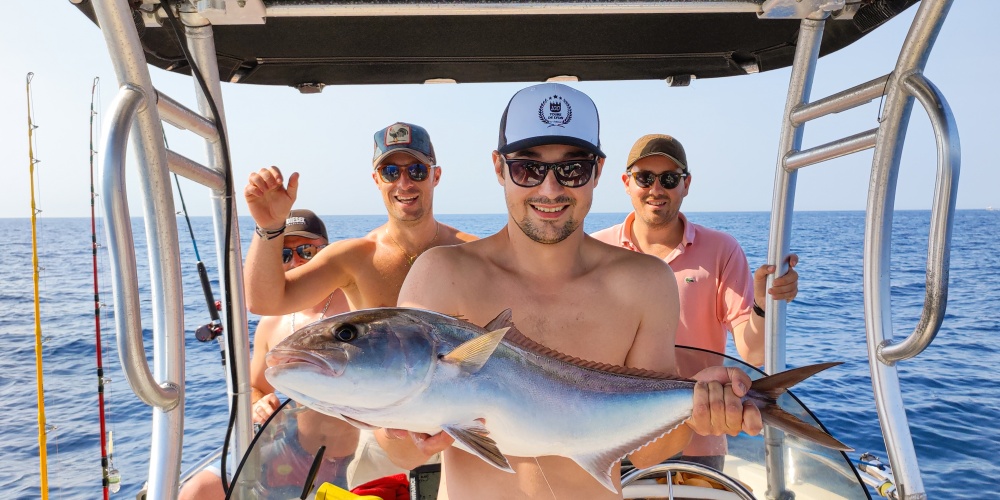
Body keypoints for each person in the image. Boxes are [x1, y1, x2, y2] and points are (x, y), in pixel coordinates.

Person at [380, 83, 762, 500]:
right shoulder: (441, 273)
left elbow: (653, 454)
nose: (550, 189)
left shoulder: (644, 282)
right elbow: (400, 454)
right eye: (528, 168)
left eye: (572, 169)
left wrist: (698, 409)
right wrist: (403, 435)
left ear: (597, 170)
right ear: (498, 167)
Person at [242, 122, 476, 485]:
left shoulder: (474, 253)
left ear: (436, 175)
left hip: (469, 436)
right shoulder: (355, 257)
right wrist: (269, 226)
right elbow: (264, 300)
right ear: (376, 179)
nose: (404, 183)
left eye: (416, 170)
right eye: (390, 171)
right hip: (388, 441)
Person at [591, 135, 799, 469]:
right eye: (645, 177)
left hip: (698, 440)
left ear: (686, 184)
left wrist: (763, 303)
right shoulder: (594, 250)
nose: (656, 189)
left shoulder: (721, 249)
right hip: (611, 439)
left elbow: (753, 352)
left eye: (669, 179)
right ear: (626, 183)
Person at [180, 209, 355, 500]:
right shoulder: (272, 322)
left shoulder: (358, 306)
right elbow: (254, 387)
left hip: (354, 458)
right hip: (290, 451)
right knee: (197, 491)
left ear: (327, 252)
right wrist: (261, 404)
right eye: (284, 255)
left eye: (306, 251)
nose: (295, 261)